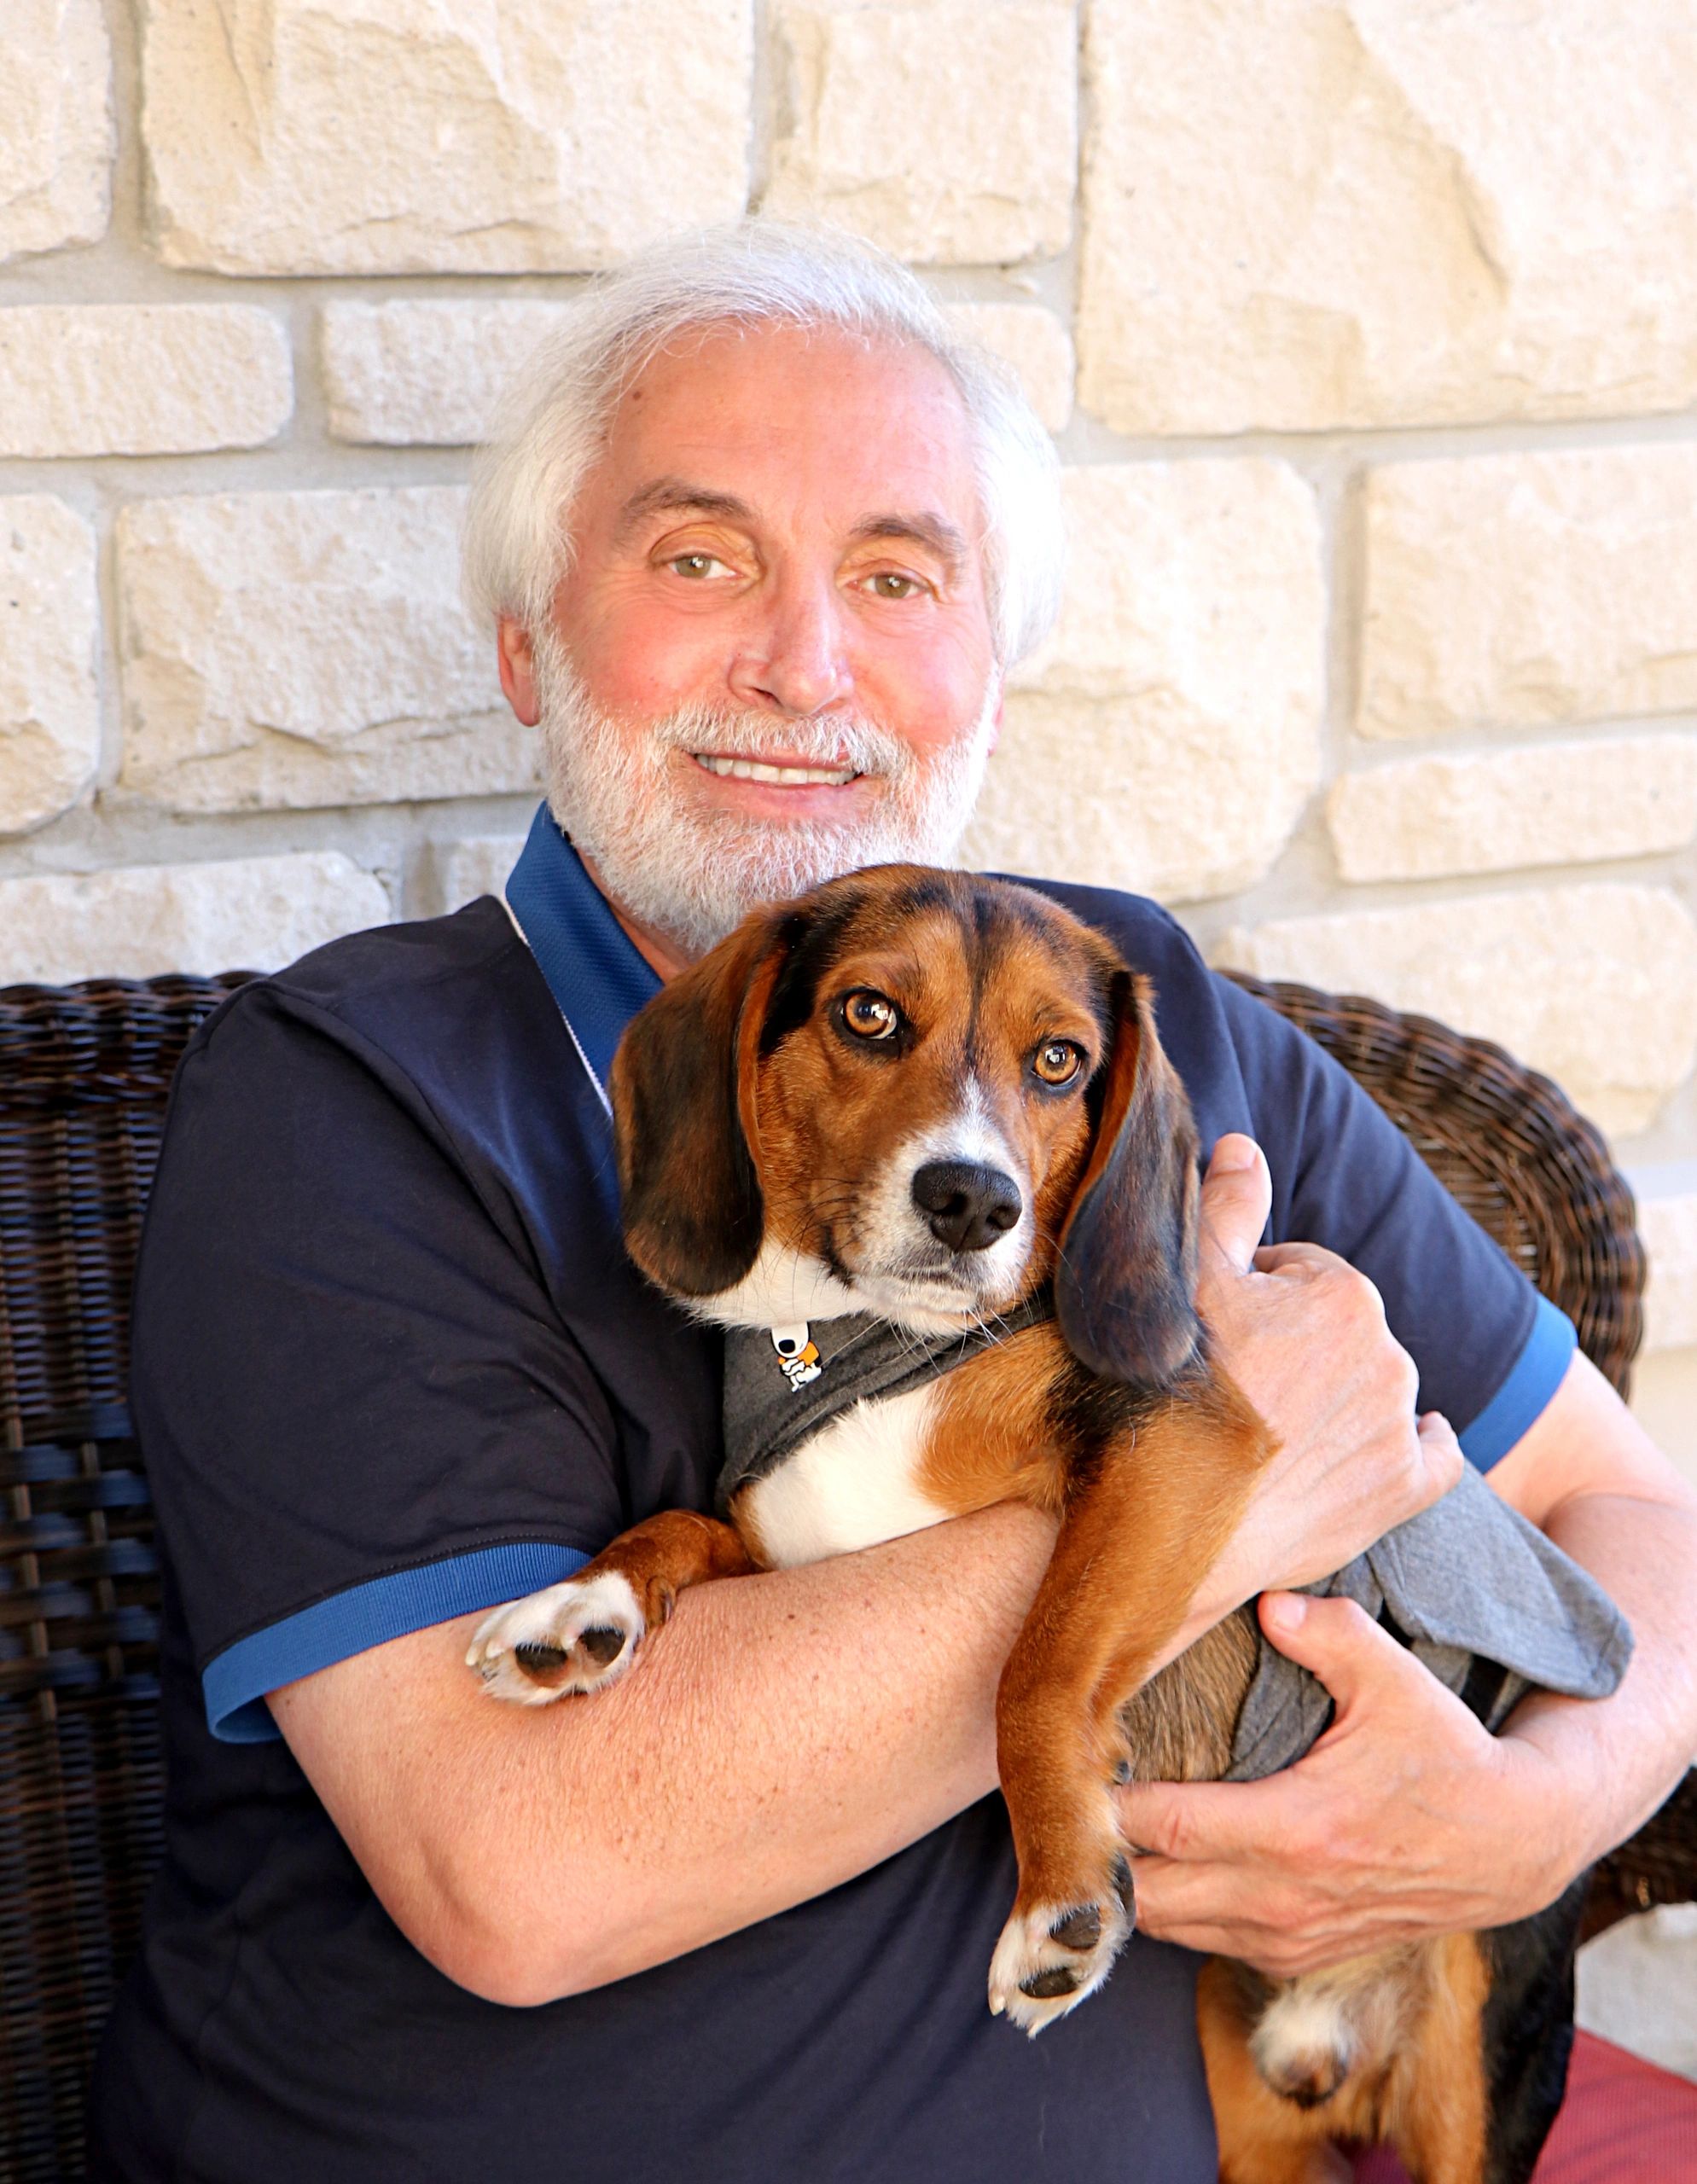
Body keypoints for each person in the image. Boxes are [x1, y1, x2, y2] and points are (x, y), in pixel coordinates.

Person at [90, 224, 1697, 2183]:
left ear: (987, 676)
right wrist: (1225, 1488)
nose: (803, 660)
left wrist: (1544, 1806)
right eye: (700, 558)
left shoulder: (1137, 1020)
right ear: (525, 640)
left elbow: (1625, 1522)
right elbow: (523, 1866)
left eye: (893, 574)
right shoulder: (357, 1101)